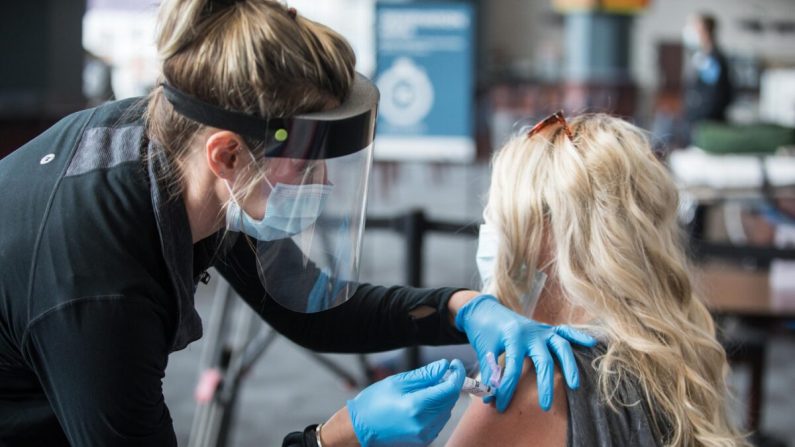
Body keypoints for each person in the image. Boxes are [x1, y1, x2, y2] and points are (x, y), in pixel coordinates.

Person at [0, 1, 596, 446]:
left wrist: (462, 308)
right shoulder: (99, 290)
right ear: (227, 155)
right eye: (308, 162)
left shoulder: (183, 146)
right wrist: (338, 436)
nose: (322, 182)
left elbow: (312, 305)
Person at [446, 112, 749, 446]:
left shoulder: (538, 385)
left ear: (550, 233)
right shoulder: (673, 360)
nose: (493, 237)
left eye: (501, 218)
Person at [682, 13, 733, 126]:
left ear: (705, 31)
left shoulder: (713, 60)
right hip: (697, 120)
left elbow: (715, 96)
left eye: (694, 28)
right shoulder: (701, 56)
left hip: (707, 123)